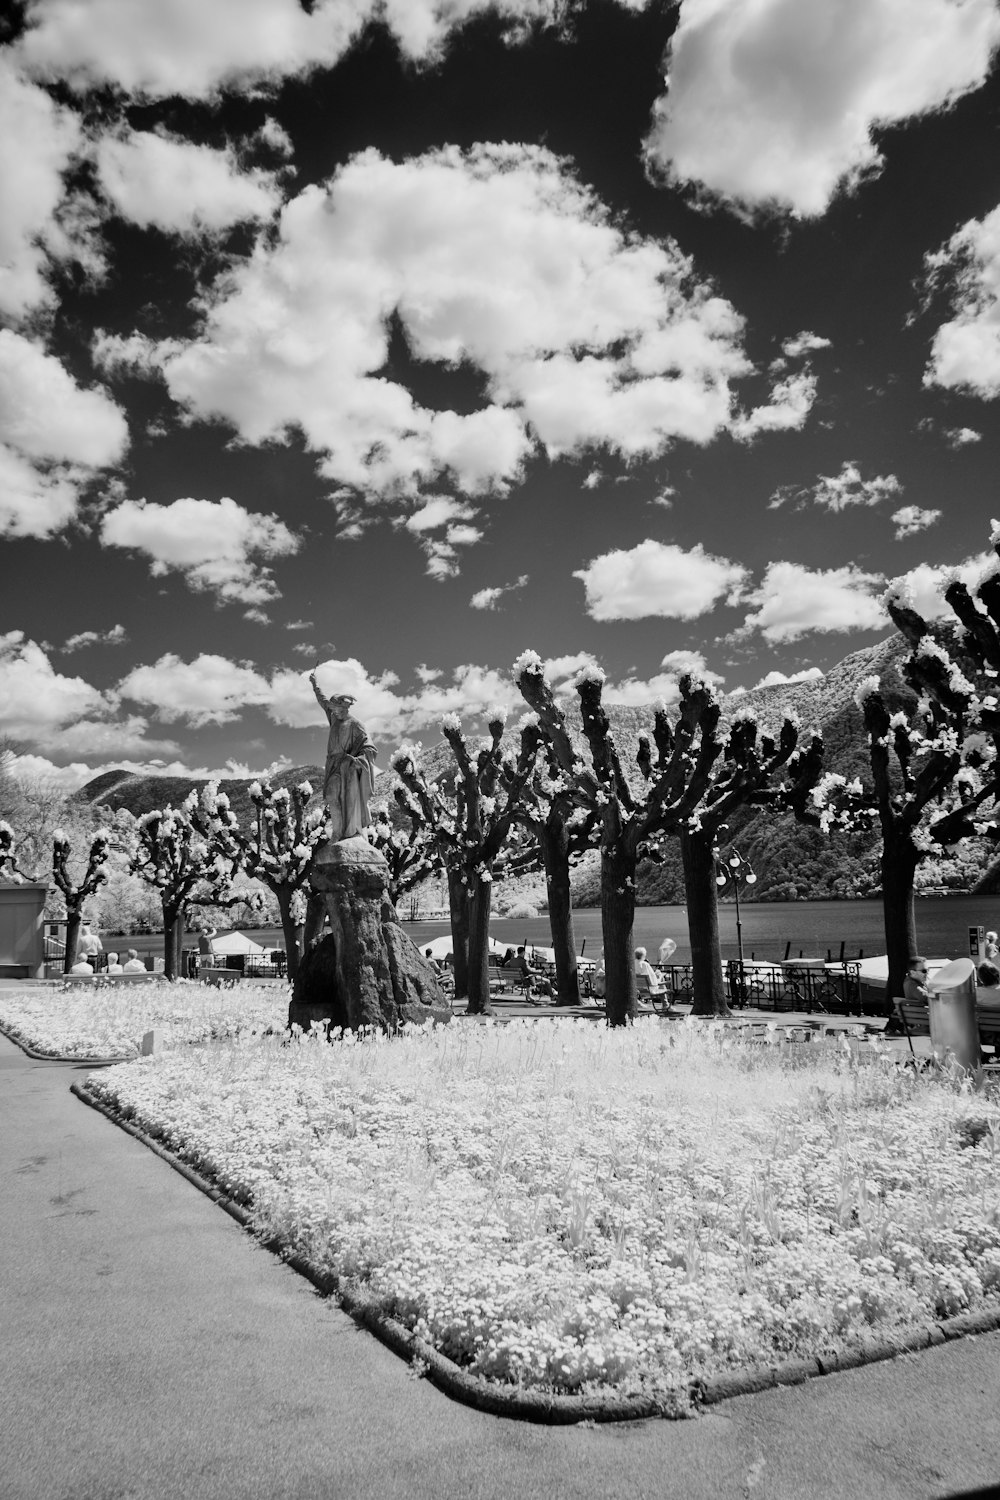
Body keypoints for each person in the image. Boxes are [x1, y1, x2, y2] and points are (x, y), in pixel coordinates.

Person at [310, 669, 377, 841]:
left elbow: (370, 748)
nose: (335, 713)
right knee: (332, 796)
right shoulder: (334, 717)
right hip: (332, 765)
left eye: (338, 710)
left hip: (347, 766)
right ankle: (338, 833)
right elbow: (322, 701)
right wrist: (314, 684)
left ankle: (345, 833)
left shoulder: (356, 724)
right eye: (333, 710)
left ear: (345, 707)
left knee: (346, 800)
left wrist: (357, 760)